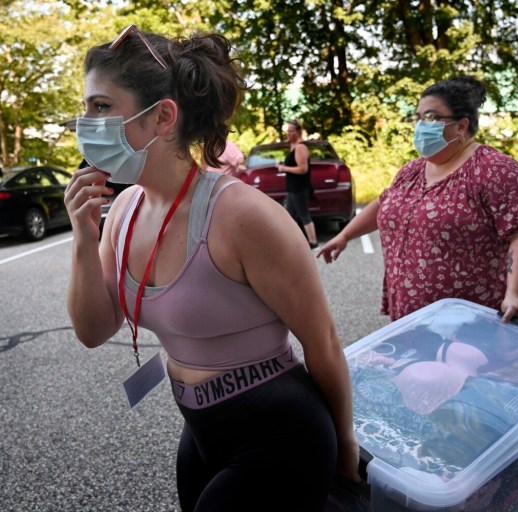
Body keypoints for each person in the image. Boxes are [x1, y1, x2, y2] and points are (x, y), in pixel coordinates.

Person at [63, 25, 359, 511]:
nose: (84, 122)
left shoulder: (243, 216)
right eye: (85, 108)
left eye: (100, 107)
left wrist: (345, 447)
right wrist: (83, 236)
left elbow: (322, 339)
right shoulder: (122, 211)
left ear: (162, 116)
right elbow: (93, 331)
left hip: (282, 433)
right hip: (200, 432)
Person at [318, 76, 518, 322]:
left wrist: (515, 294)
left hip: (468, 318)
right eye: (419, 118)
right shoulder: (413, 170)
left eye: (433, 117)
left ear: (461, 126)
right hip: (409, 313)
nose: (421, 125)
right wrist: (345, 235)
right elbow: (385, 203)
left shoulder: (495, 169)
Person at [276, 119, 318, 249]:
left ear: (298, 131)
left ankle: (313, 242)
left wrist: (284, 168)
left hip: (300, 187)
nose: (288, 134)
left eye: (291, 131)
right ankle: (294, 242)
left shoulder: (300, 147)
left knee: (303, 214)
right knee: (290, 215)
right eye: (287, 131)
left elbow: (303, 169)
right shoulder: (292, 146)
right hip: (292, 187)